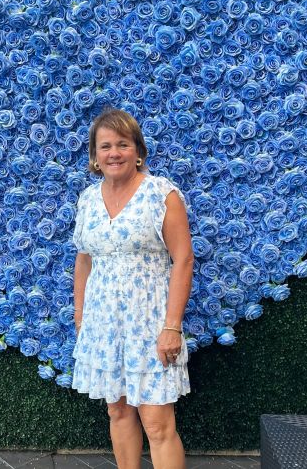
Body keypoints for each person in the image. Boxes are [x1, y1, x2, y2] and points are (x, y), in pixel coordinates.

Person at [71, 109, 194, 469]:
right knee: (119, 412)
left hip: (151, 324)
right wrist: (81, 319)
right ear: (95, 156)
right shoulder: (88, 199)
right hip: (104, 324)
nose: (114, 153)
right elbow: (84, 260)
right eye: (105, 146)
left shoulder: (161, 194)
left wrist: (172, 327)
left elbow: (183, 259)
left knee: (157, 423)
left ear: (138, 151)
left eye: (123, 144)